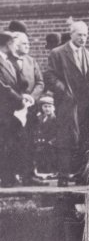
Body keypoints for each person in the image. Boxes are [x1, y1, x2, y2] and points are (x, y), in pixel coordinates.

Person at [44, 21, 89, 187]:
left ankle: (82, 174)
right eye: (79, 34)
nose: (83, 38)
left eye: (85, 35)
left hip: (86, 103)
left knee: (85, 137)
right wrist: (65, 92)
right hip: (67, 103)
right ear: (72, 34)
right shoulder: (58, 53)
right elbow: (50, 76)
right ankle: (64, 175)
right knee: (66, 139)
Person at [8, 31, 45, 185]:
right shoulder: (6, 61)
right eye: (24, 43)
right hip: (13, 109)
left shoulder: (31, 61)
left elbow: (40, 82)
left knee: (30, 142)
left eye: (28, 43)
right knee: (12, 142)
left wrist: (32, 97)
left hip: (30, 108)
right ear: (15, 44)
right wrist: (20, 99)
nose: (28, 46)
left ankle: (29, 175)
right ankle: (11, 175)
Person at [0, 32, 29, 187]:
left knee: (10, 143)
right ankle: (6, 178)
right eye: (13, 44)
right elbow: (3, 87)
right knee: (5, 143)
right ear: (7, 44)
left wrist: (24, 95)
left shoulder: (9, 62)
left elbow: (20, 83)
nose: (16, 47)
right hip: (3, 110)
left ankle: (9, 176)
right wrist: (20, 99)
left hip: (11, 110)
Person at [34, 94, 58, 175]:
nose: (47, 108)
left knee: (51, 156)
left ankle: (53, 171)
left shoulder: (55, 118)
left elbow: (57, 133)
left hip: (51, 143)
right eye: (45, 106)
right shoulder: (39, 117)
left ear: (53, 107)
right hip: (41, 143)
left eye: (49, 106)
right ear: (42, 107)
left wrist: (51, 142)